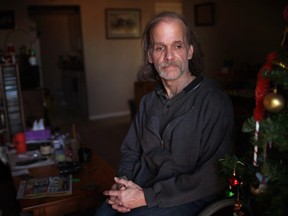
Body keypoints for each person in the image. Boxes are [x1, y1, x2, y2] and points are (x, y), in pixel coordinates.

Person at [95, 11, 234, 216]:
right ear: (150, 56)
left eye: (177, 46)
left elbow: (213, 176)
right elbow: (131, 151)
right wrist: (123, 185)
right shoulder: (148, 102)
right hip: (143, 185)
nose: (168, 56)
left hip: (188, 196)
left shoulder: (214, 102)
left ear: (190, 51)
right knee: (103, 213)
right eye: (160, 48)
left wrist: (145, 197)